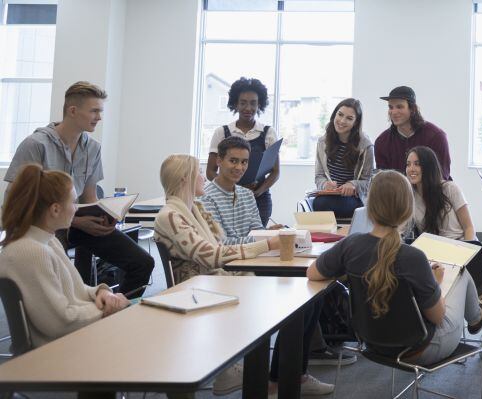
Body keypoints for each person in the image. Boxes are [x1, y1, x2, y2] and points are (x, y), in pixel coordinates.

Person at [153, 154, 333, 397]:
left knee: (311, 296)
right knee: (301, 300)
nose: (204, 176)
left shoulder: (193, 208)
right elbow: (211, 256)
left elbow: (217, 252)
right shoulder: (171, 216)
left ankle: (285, 376)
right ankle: (279, 377)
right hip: (205, 289)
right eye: (199, 172)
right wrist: (266, 246)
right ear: (185, 178)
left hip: (221, 280)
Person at [306, 171, 482, 365]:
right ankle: (477, 316)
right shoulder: (413, 258)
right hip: (420, 350)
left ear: (369, 207)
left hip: (371, 343)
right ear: (407, 210)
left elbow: (312, 273)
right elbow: (438, 316)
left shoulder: (350, 245)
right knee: (461, 273)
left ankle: (477, 315)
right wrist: (437, 283)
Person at [3, 81, 153, 299]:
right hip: (42, 227)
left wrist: (103, 217)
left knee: (143, 263)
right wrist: (75, 221)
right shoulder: (36, 144)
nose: (99, 117)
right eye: (94, 111)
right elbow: (16, 201)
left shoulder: (93, 148)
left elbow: (89, 198)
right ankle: (79, 310)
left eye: (100, 111)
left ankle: (116, 311)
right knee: (62, 279)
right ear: (73, 111)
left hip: (74, 222)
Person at [0, 164, 129, 399]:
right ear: (56, 209)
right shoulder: (32, 252)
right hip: (57, 351)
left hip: (67, 341)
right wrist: (108, 310)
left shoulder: (47, 242)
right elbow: (60, 322)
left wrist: (101, 292)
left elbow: (79, 290)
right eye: (73, 202)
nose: (76, 208)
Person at [206, 77, 280, 227]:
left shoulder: (268, 132)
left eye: (253, 103)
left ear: (260, 105)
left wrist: (258, 192)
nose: (248, 108)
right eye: (243, 102)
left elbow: (275, 172)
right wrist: (232, 190)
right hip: (226, 198)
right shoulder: (222, 132)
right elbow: (210, 171)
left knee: (257, 240)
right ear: (235, 104)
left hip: (259, 199)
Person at [313, 98, 374, 218]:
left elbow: (369, 181)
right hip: (329, 195)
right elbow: (319, 175)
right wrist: (325, 184)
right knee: (319, 203)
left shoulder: (366, 146)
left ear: (356, 123)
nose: (341, 121)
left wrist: (353, 185)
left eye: (349, 118)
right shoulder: (322, 142)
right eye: (340, 115)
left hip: (353, 198)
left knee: (326, 204)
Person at [374, 86, 452, 180]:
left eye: (399, 107)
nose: (393, 112)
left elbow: (442, 176)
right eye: (391, 107)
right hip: (397, 193)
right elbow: (383, 180)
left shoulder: (436, 137)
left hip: (432, 192)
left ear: (412, 109)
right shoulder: (382, 142)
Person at [200, 136, 267, 244]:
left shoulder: (248, 195)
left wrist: (269, 233)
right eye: (233, 161)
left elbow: (258, 231)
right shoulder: (206, 198)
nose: (239, 167)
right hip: (227, 260)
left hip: (251, 257)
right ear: (219, 161)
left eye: (244, 162)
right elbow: (221, 242)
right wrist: (264, 239)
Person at [406, 146, 475, 241]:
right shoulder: (410, 196)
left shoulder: (450, 188)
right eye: (408, 164)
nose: (411, 169)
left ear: (429, 167)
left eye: (417, 164)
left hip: (459, 245)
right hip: (432, 249)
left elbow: (469, 228)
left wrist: (468, 251)